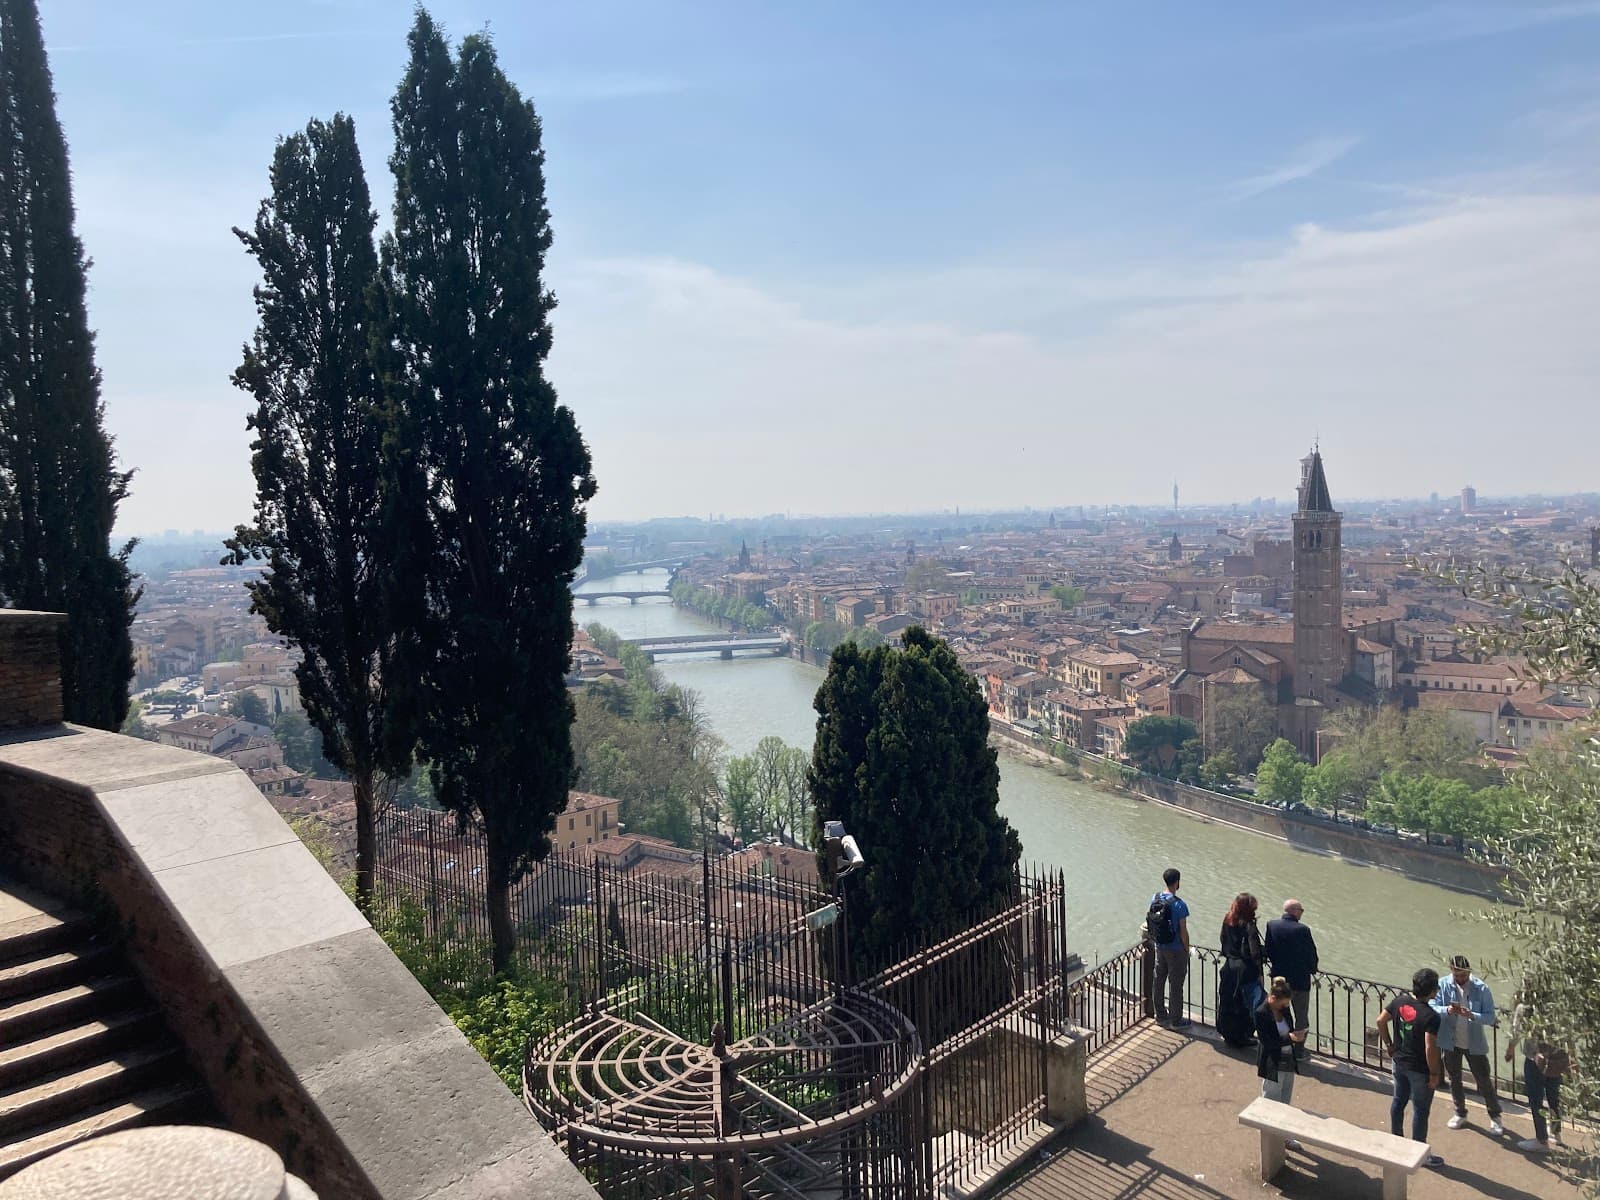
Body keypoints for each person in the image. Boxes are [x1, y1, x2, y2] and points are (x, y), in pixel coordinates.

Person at [1377, 967, 1445, 1168]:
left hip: (1399, 1062)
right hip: (1419, 1069)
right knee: (1421, 1110)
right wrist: (1435, 1073)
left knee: (1398, 1101)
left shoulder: (1399, 1002)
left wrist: (1389, 1044)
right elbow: (1430, 1047)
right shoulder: (1431, 1016)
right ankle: (1418, 1152)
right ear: (1432, 991)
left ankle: (1396, 1142)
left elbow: (1380, 1021)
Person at [1430, 955, 1503, 1135]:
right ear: (1451, 972)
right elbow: (1432, 1005)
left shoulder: (1481, 988)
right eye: (1457, 975)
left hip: (1474, 1042)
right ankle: (1460, 1113)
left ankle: (1495, 1116)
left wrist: (1472, 1015)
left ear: (1469, 972)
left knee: (1483, 1080)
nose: (1460, 979)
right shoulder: (1443, 984)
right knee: (1454, 1078)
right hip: (1450, 1040)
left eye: (1463, 975)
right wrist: (1447, 1010)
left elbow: (1490, 1017)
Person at [1505, 1001, 1568, 1154]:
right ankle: (1556, 1133)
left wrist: (1510, 1050)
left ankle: (1541, 1140)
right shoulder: (1558, 1004)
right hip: (1556, 1060)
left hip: (1535, 1060)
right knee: (1553, 1097)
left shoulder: (1525, 1006)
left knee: (1536, 1100)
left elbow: (1516, 1031)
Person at [1264, 898, 1318, 1056]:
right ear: (1294, 911)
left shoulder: (1272, 925)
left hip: (1279, 978)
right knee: (1301, 1015)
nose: (1302, 913)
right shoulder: (1303, 929)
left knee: (1279, 1011)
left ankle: (1280, 1044)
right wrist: (1312, 969)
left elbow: (1269, 949)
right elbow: (1311, 954)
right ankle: (1299, 1050)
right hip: (1299, 980)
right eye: (1301, 910)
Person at [1217, 892, 1265, 1048]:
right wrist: (1260, 973)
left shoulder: (1227, 919)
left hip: (1229, 965)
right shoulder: (1249, 925)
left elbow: (1222, 939)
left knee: (1228, 1000)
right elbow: (1254, 952)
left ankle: (1228, 1032)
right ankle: (1242, 1035)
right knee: (1244, 1003)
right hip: (1245, 969)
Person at [1255, 977, 1308, 1113]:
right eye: (1283, 1003)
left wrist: (1296, 1034)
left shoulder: (1284, 1009)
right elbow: (1267, 1042)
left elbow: (1289, 1027)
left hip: (1288, 1058)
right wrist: (1290, 1038)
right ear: (1273, 999)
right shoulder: (1261, 1013)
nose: (1285, 1006)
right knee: (1271, 1100)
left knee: (1285, 1097)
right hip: (1272, 1060)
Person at [1147, 867, 1191, 1028]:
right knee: (1176, 985)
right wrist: (1187, 948)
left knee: (1159, 980)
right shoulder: (1180, 905)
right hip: (1176, 949)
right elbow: (1183, 931)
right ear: (1177, 882)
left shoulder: (1155, 898)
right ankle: (1176, 1020)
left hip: (1160, 946)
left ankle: (1160, 1015)